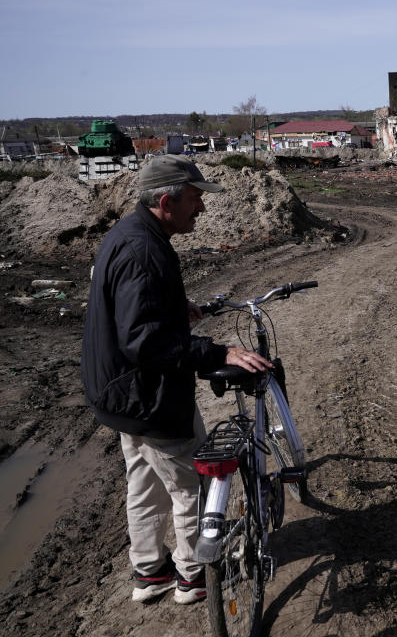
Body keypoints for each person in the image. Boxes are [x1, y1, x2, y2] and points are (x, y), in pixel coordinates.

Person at [81, 155, 272, 604]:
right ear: (166, 201)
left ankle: (150, 572)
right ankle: (193, 576)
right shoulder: (143, 250)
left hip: (120, 392)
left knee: (144, 484)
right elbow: (144, 341)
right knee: (193, 486)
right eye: (193, 200)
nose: (200, 210)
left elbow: (129, 313)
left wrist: (175, 312)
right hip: (147, 394)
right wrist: (217, 352)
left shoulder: (131, 235)